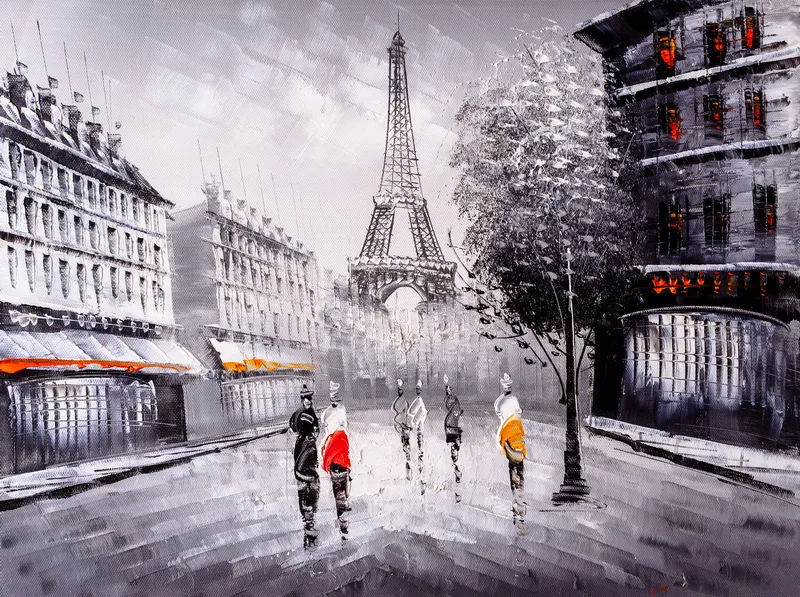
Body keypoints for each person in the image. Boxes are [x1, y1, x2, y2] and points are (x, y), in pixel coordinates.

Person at [288, 384, 320, 550]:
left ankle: (307, 514)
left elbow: (292, 425)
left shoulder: (300, 412)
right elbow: (312, 430)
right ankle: (308, 512)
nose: (308, 400)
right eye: (306, 398)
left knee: (305, 486)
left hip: (303, 449)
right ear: (302, 399)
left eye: (310, 398)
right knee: (307, 483)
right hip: (305, 450)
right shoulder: (307, 413)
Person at [494, 373, 527, 528]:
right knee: (518, 469)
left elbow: (500, 417)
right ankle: (519, 501)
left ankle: (516, 499)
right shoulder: (513, 400)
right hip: (516, 437)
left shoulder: (499, 402)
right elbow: (518, 413)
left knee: (513, 469)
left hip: (507, 437)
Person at [320, 381, 351, 540]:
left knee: (338, 488)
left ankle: (342, 515)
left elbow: (324, 422)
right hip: (340, 456)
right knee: (342, 487)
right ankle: (343, 514)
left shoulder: (328, 413)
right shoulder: (339, 413)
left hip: (334, 455)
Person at [443, 374, 464, 503]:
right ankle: (456, 471)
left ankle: (458, 489)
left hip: (451, 427)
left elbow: (456, 410)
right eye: (448, 389)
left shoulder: (453, 400)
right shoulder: (452, 400)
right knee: (454, 450)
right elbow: (455, 410)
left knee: (454, 450)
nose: (448, 391)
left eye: (450, 389)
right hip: (451, 427)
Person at [408, 379, 428, 494]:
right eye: (417, 389)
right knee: (418, 455)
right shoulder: (418, 400)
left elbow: (416, 413)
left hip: (420, 432)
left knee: (420, 455)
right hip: (418, 432)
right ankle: (419, 479)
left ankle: (420, 479)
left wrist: (414, 422)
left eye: (419, 389)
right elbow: (412, 413)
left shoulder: (420, 401)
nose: (418, 391)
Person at [392, 379, 413, 481]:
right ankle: (408, 473)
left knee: (407, 456)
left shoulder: (404, 402)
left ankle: (409, 473)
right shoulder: (402, 402)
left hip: (404, 429)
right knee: (407, 456)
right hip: (404, 429)